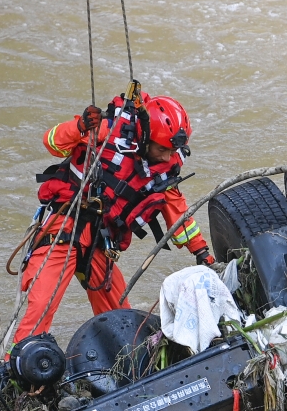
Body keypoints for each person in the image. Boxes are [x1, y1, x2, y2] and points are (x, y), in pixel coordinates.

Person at [12, 87, 214, 349]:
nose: (168, 156)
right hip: (64, 225)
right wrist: (79, 126)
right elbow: (52, 142)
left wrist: (202, 252)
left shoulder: (165, 167)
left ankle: (125, 362)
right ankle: (16, 366)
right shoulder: (105, 132)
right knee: (42, 302)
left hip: (100, 240)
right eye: (163, 149)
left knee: (119, 314)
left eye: (172, 150)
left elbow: (178, 214)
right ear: (146, 137)